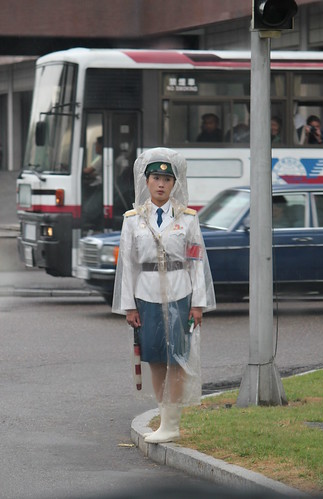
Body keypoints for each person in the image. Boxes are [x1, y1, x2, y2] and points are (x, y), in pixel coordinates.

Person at [112, 147, 216, 444]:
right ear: (146, 182)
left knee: (178, 359)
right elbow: (128, 265)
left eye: (166, 179)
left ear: (174, 184)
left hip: (180, 293)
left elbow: (196, 262)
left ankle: (172, 423)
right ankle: (163, 418)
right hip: (146, 296)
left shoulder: (188, 218)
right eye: (155, 178)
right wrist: (129, 306)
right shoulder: (133, 219)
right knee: (156, 359)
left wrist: (198, 303)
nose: (160, 184)